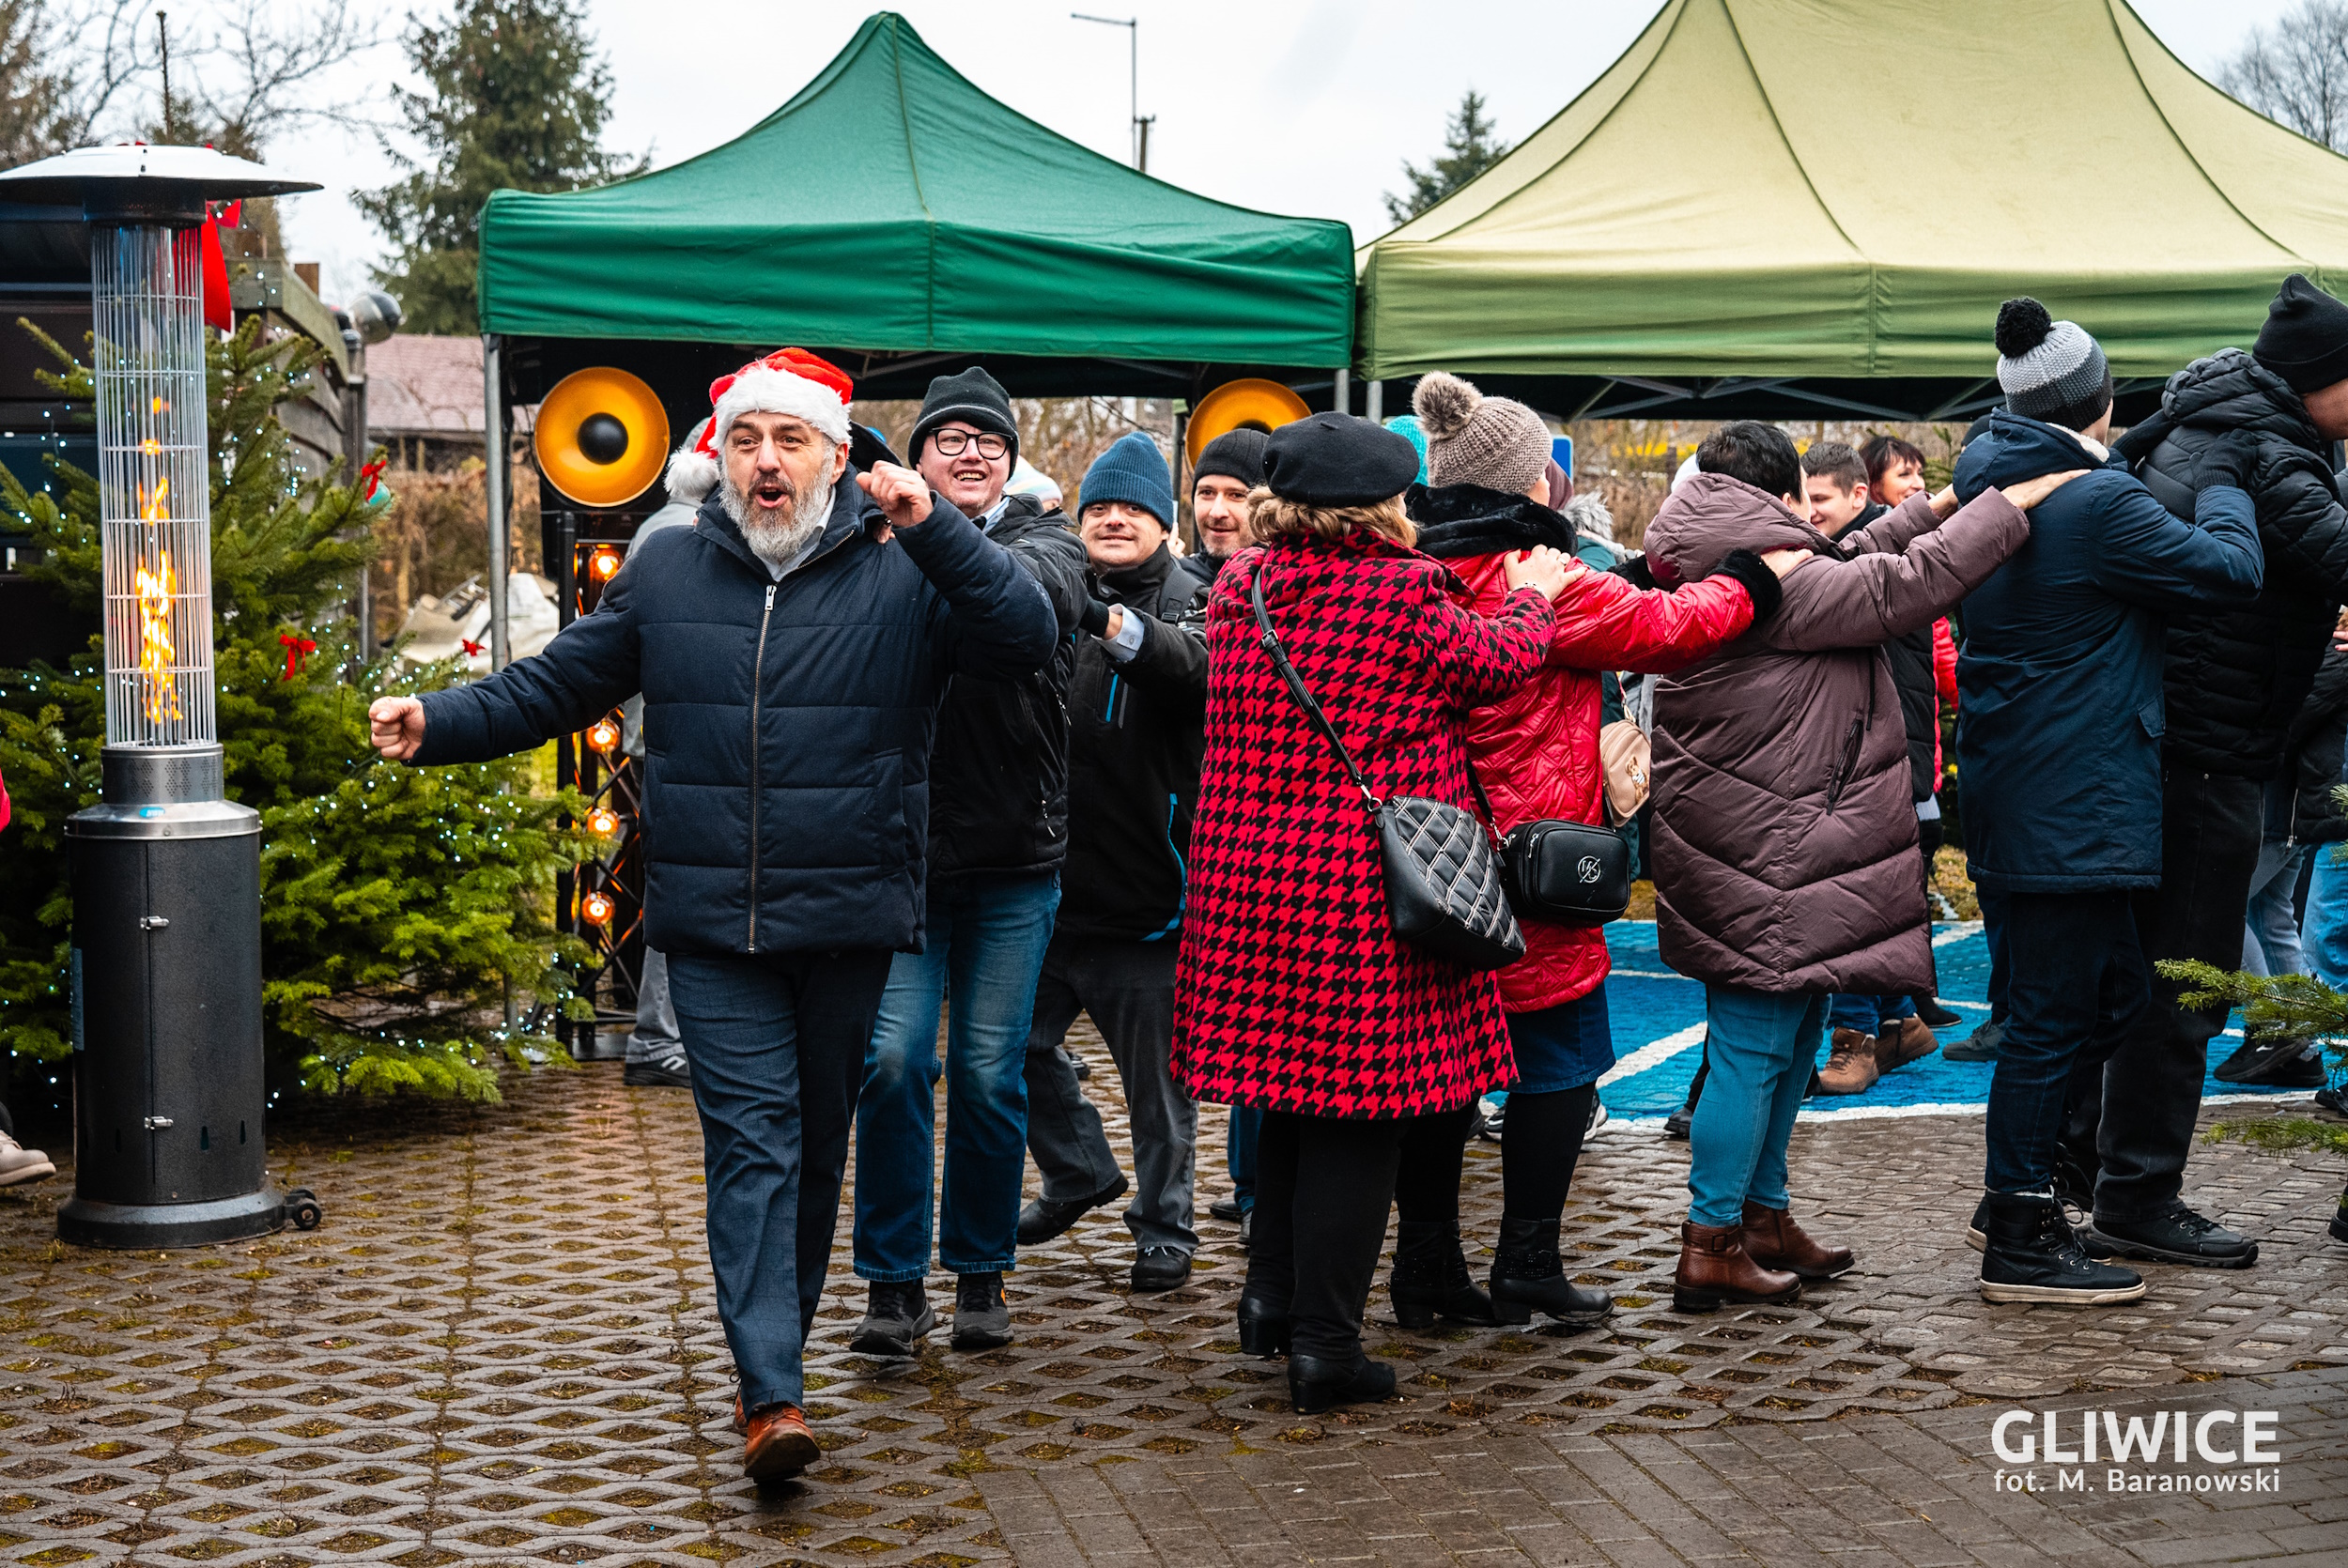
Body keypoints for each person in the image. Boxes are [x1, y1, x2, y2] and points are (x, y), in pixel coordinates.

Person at [367, 347, 1058, 1481]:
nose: (767, 462)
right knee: (753, 1144)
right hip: (711, 926)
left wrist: (934, 524)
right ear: (718, 458)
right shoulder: (671, 572)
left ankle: (770, 1350)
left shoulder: (908, 570)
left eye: (791, 442)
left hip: (847, 920)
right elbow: (556, 683)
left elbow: (1026, 635)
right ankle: (770, 1393)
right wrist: (437, 718)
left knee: (815, 1150)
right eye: (747, 441)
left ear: (837, 457)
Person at [1171, 412, 1573, 1414]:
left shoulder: (1238, 587)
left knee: (1286, 1104)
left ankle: (1267, 1304)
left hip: (1246, 886)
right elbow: (1491, 667)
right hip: (1355, 895)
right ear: (1380, 505)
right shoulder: (1400, 589)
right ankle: (1326, 1345)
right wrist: (1531, 601)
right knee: (1359, 1116)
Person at [1394, 371, 1791, 1330]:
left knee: (1438, 1074)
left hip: (1427, 861)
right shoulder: (1543, 580)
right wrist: (1750, 575)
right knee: (1560, 1065)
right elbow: (1673, 627)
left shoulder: (1412, 569)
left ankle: (1427, 1270)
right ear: (1535, 484)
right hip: (1535, 868)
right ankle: (1528, 1260)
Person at [1643, 417, 2068, 1314]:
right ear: (1781, 498)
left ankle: (1762, 1220)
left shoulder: (1732, 557)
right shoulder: (1768, 586)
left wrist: (1941, 502)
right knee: (1755, 1049)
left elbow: (1858, 551)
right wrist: (2009, 503)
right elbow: (1899, 585)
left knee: (1789, 1040)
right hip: (1770, 854)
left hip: (1768, 846)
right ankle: (1711, 1240)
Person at [1954, 299, 2263, 1304]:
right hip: (2072, 797)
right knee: (2048, 1019)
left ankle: (2024, 1178)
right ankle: (2019, 1227)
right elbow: (2230, 572)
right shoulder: (2094, 504)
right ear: (2101, 398)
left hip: (2023, 784)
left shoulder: (1988, 476)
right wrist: (2220, 483)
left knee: (2113, 995)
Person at [2055, 273, 2348, 1268]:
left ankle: (2071, 1175)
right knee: (2183, 984)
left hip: (2151, 737)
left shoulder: (2198, 415)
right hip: (2210, 749)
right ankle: (2138, 1194)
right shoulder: (2265, 447)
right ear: (2320, 379)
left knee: (2128, 972)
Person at [849, 368, 1089, 1358]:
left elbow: (1021, 607)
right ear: (917, 456)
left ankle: (980, 1271)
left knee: (992, 1073)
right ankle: (892, 1283)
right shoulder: (866, 549)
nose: (971, 452)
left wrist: (922, 528)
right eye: (949, 437)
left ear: (1011, 459)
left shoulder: (1049, 542)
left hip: (1012, 860)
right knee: (894, 1060)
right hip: (899, 858)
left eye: (988, 439)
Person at [1019, 433, 1213, 1292]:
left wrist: (1107, 619)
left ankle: (1165, 1228)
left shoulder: (1197, 600)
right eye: (1099, 507)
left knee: (1160, 1093)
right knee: (1010, 1049)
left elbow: (1188, 670)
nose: (1113, 520)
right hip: (1049, 887)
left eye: (1133, 508)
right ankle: (1078, 1172)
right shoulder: (1046, 585)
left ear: (1164, 526)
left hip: (1150, 895)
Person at [1797, 441, 1944, 1093]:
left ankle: (1853, 1041)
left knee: (1849, 904)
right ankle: (1901, 1022)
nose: (1808, 513)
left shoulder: (1860, 564)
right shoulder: (1875, 556)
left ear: (1860, 497)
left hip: (1875, 757)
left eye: (1819, 500)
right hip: (1890, 752)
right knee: (1876, 899)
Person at [1179, 426, 1271, 1241]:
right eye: (1207, 492)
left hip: (1245, 838)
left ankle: (1256, 1192)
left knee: (1263, 1024)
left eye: (1236, 495)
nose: (1218, 510)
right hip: (1177, 834)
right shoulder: (1177, 584)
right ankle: (1246, 1185)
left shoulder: (1269, 590)